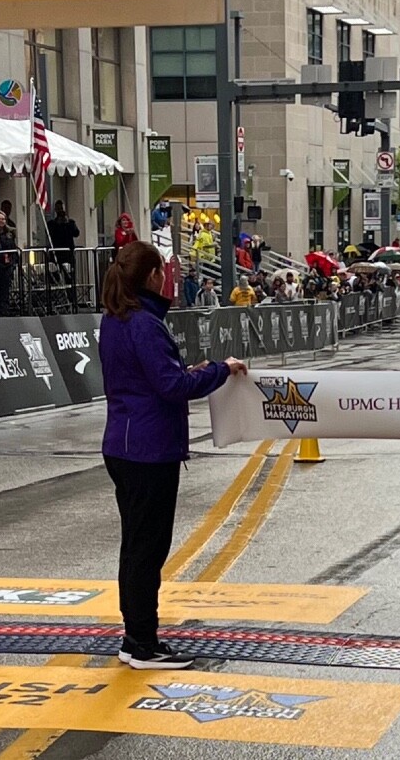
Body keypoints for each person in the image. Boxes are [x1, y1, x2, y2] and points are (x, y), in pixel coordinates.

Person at [99, 240, 246, 669]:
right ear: (152, 276)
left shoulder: (115, 319)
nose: (166, 277)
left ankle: (135, 635)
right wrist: (218, 370)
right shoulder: (144, 324)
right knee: (147, 548)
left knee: (136, 546)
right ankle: (142, 641)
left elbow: (148, 378)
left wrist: (188, 372)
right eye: (162, 270)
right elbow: (171, 387)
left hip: (125, 443)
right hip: (149, 449)